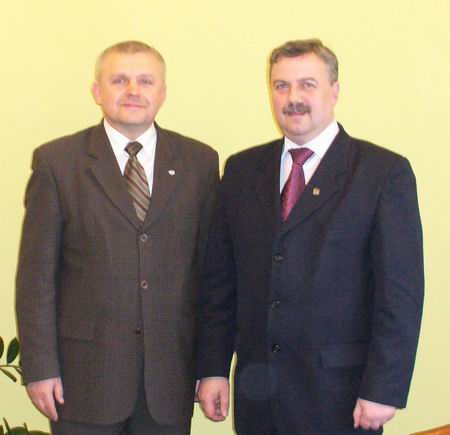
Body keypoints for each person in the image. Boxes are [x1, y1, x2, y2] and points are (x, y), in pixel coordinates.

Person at [196, 39, 424, 435]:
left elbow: (400, 294)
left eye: (307, 84)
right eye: (281, 85)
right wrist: (213, 368)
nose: (293, 98)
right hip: (258, 394)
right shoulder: (242, 170)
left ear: (334, 91)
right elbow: (221, 282)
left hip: (341, 396)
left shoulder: (382, 173)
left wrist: (383, 388)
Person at [16, 40, 219, 435]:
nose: (133, 91)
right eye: (119, 80)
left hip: (169, 379)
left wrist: (211, 367)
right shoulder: (57, 163)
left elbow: (210, 274)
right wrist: (39, 368)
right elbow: (36, 277)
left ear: (163, 93)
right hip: (83, 379)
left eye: (146, 81)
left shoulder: (199, 162)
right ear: (97, 91)